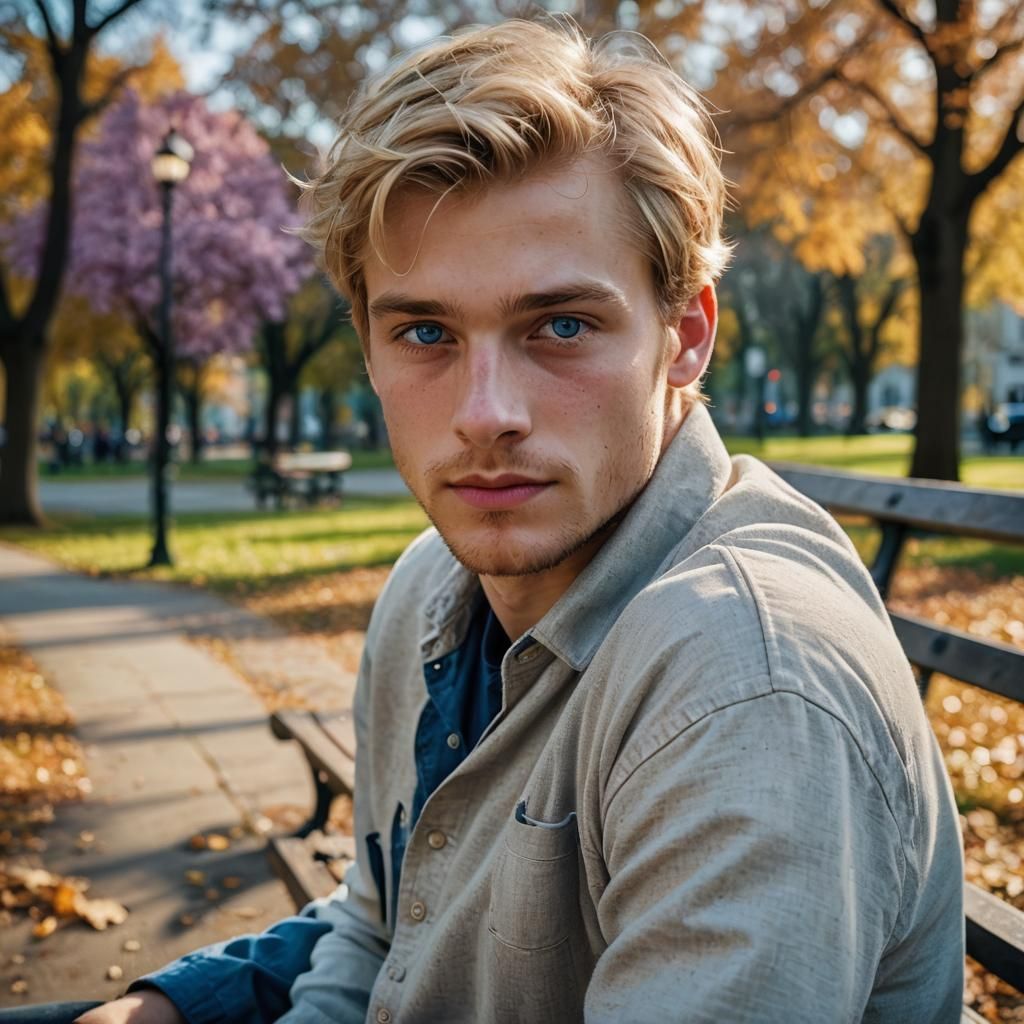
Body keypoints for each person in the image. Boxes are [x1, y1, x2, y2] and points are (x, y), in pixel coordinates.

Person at [10, 17, 964, 1024]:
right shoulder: (434, 587)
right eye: (425, 331)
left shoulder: (744, 690)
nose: (482, 413)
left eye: (559, 326)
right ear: (369, 348)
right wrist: (177, 1006)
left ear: (684, 335)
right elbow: (383, 932)